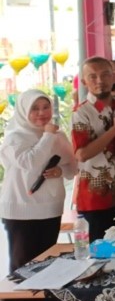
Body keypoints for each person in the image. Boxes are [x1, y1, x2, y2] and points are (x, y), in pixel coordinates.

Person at [0, 90, 76, 272]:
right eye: (34, 109)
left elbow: (72, 167)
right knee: (23, 267)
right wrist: (48, 136)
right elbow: (30, 163)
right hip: (21, 211)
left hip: (50, 209)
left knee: (48, 265)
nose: (42, 113)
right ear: (23, 111)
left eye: (45, 107)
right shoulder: (15, 137)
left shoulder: (58, 136)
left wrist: (60, 170)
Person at [71, 57, 115, 241]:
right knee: (100, 257)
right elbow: (82, 154)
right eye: (93, 76)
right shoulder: (81, 113)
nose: (100, 81)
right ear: (84, 81)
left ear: (113, 77)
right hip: (96, 198)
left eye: (105, 75)